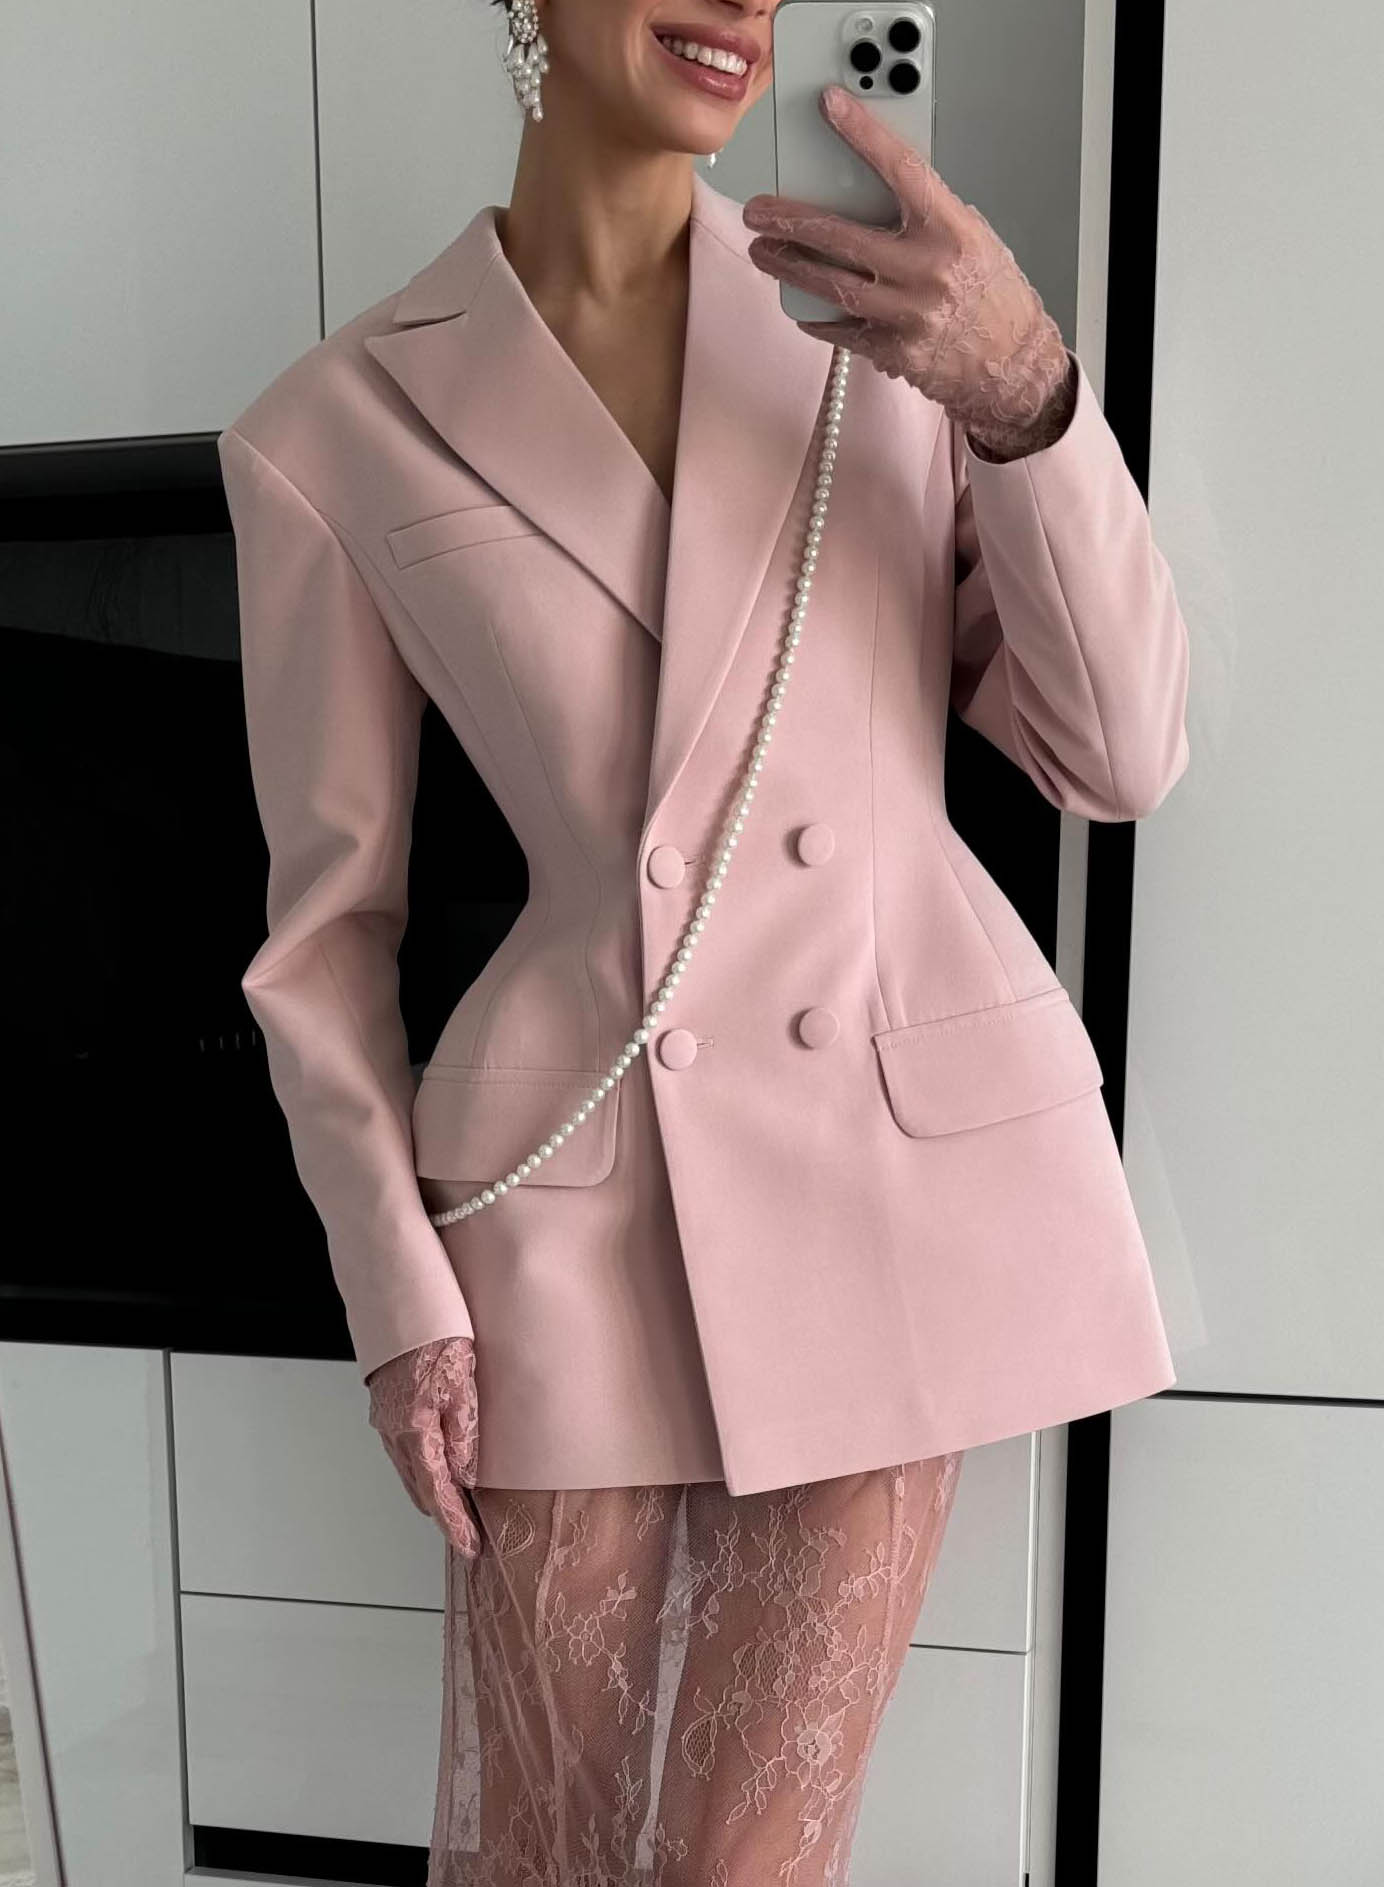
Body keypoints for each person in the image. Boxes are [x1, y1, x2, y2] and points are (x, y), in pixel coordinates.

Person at [218, 0, 1190, 1879]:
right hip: (564, 1211)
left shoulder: (889, 330)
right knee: (551, 1853)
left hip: (885, 1173)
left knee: (745, 1865)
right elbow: (325, 931)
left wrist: (1024, 399)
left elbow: (1116, 757)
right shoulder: (331, 425)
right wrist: (394, 1293)